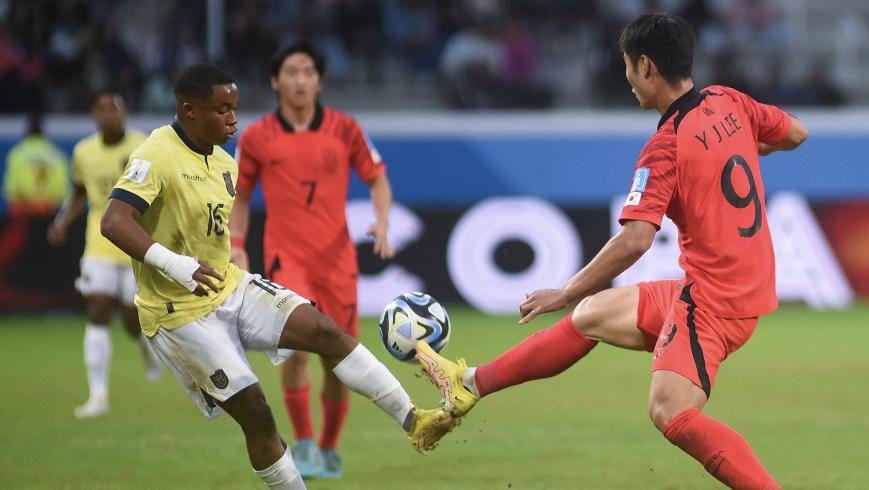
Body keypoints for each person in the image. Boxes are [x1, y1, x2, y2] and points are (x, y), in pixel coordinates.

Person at [416, 13, 807, 490]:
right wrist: (744, 145)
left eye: (625, 66)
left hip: (713, 301)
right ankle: (470, 384)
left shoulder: (665, 146)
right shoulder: (728, 100)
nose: (626, 78)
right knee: (592, 314)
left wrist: (563, 290)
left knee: (671, 412)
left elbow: (635, 240)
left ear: (645, 66)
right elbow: (794, 134)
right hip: (744, 282)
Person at [100, 63, 456, 490]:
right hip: (178, 313)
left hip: (228, 286)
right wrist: (175, 264)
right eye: (222, 109)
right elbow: (114, 221)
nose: (233, 119)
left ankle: (414, 419)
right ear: (189, 110)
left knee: (325, 330)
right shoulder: (156, 155)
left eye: (235, 108)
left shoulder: (224, 162)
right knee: (257, 414)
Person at [229, 42, 395, 480]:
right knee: (297, 352)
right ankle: (302, 442)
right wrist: (237, 243)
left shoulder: (345, 129)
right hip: (287, 259)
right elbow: (239, 197)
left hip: (338, 261)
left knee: (339, 357)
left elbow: (378, 179)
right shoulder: (257, 136)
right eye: (291, 72)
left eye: (307, 72)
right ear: (275, 80)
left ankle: (329, 447)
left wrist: (381, 222)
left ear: (319, 80)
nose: (300, 80)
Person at [47, 90, 161, 418]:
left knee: (131, 318)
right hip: (99, 240)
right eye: (101, 110)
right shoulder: (84, 151)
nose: (108, 115)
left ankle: (143, 345)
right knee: (97, 308)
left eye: (114, 108)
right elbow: (80, 192)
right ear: (93, 115)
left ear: (125, 112)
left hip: (135, 240)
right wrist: (61, 222)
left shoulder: (142, 145)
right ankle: (98, 396)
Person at [2, 113, 68, 216]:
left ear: (27, 130)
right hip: (50, 214)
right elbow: (63, 194)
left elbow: (11, 194)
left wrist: (31, 205)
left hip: (25, 215)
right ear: (42, 131)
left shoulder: (16, 154)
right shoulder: (57, 155)